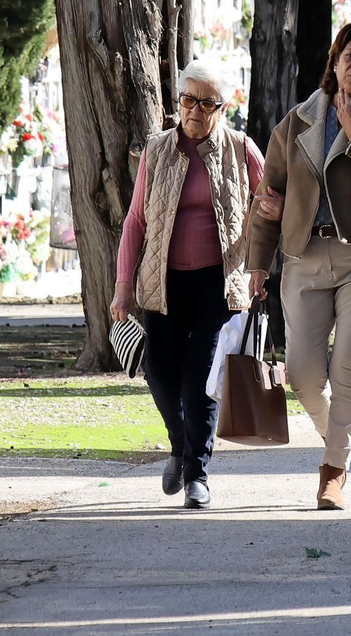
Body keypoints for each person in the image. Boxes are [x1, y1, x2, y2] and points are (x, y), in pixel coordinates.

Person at [245, 21, 351, 510]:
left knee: (350, 365)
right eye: (349, 55)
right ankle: (341, 437)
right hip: (305, 257)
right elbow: (268, 196)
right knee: (301, 375)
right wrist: (259, 262)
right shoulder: (297, 121)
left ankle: (332, 471)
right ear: (335, 61)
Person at [112, 60, 265, 509]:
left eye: (206, 102)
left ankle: (198, 474)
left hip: (219, 285)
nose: (194, 110)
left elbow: (271, 202)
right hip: (164, 282)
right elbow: (136, 221)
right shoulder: (157, 151)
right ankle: (180, 445)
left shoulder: (240, 148)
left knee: (200, 376)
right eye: (187, 99)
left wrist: (262, 262)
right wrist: (123, 286)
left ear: (222, 107)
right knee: (159, 373)